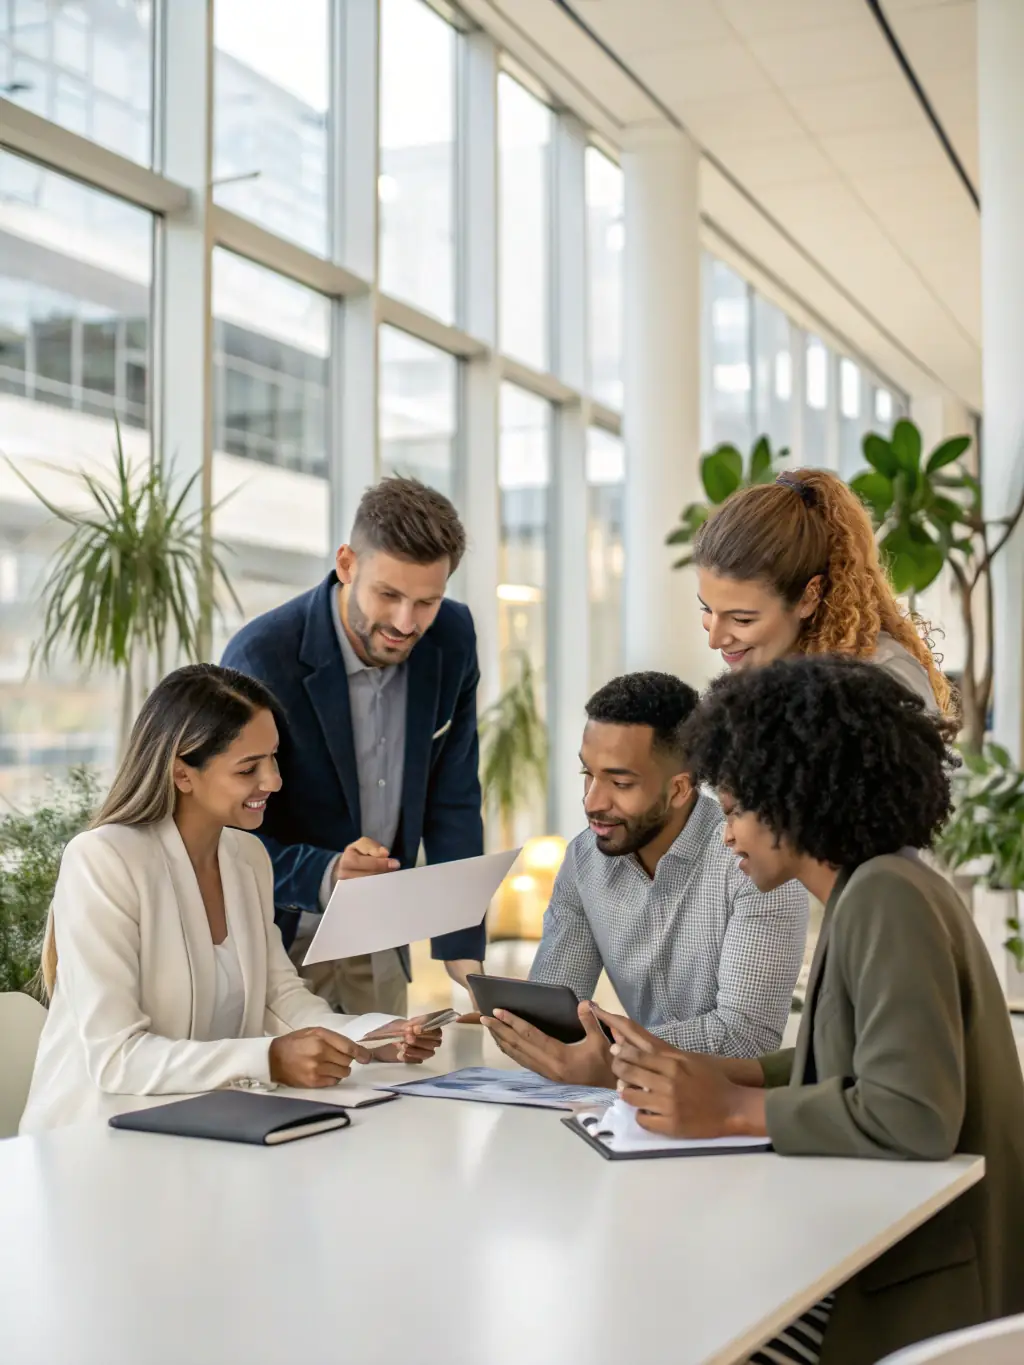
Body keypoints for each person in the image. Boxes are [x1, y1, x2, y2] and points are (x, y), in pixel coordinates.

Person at [597, 657, 1024, 1365]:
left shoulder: (886, 896)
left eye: (734, 811)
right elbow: (858, 1055)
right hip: (914, 1262)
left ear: (794, 799)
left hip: (930, 1303)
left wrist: (729, 1110)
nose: (725, 835)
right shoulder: (881, 882)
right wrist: (716, 1071)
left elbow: (911, 1114)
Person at [20, 666, 443, 1136]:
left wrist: (371, 1037)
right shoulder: (103, 860)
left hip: (205, 1128)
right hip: (92, 1141)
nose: (274, 781)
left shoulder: (247, 857)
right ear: (182, 772)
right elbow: (117, 1059)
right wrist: (269, 1059)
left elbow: (281, 1002)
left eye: (274, 759)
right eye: (248, 768)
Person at [221, 477, 486, 1017]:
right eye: (388, 595)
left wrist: (463, 954)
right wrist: (323, 873)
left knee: (389, 1089)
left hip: (379, 939)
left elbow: (452, 798)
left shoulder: (452, 638)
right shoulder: (261, 657)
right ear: (346, 564)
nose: (406, 624)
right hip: (280, 940)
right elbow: (221, 828)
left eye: (427, 601)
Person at [481, 672, 808, 1087]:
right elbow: (556, 1015)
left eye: (620, 783)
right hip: (629, 1103)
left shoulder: (754, 863)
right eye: (588, 775)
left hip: (733, 1105)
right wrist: (521, 1022)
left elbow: (744, 1039)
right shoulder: (584, 858)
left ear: (679, 789)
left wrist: (609, 1054)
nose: (593, 802)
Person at [693, 467, 952, 713]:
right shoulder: (762, 673)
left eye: (742, 619)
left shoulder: (886, 684)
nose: (714, 640)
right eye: (708, 609)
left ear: (808, 597)